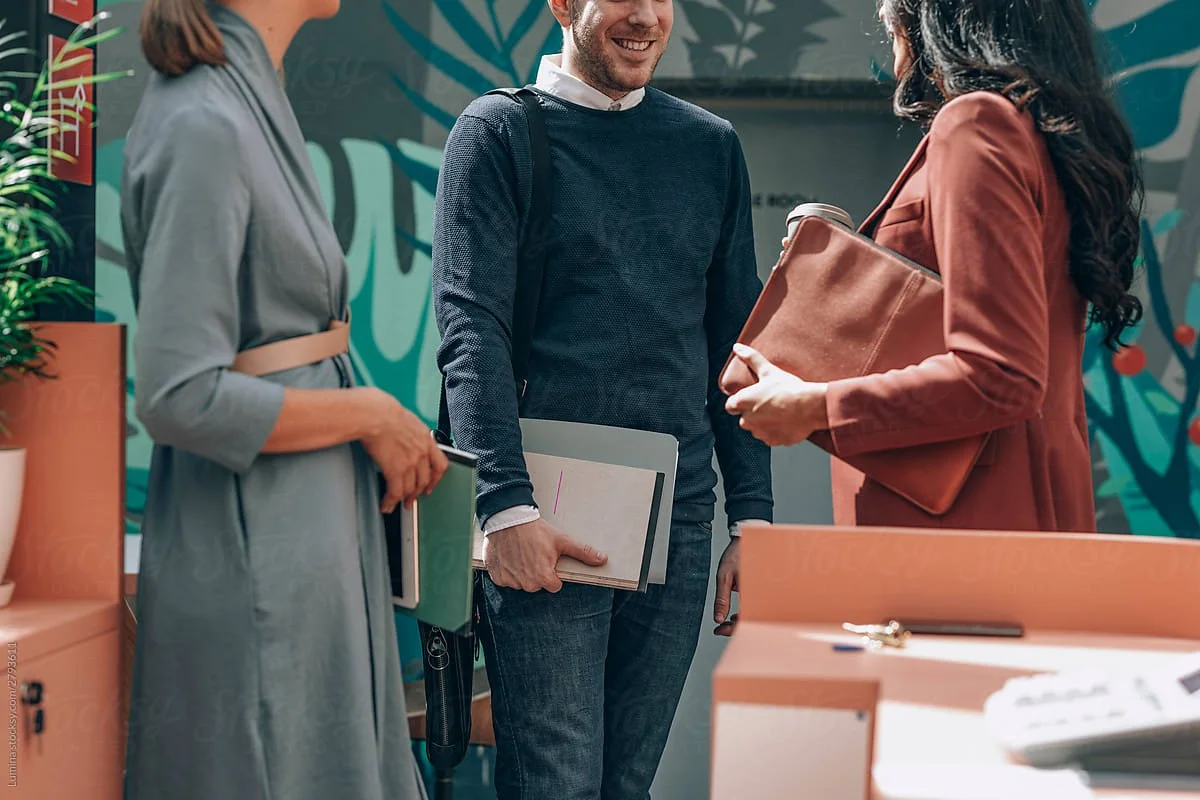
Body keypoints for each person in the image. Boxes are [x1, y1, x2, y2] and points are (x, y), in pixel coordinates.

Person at [432, 0, 774, 795]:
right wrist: (505, 509)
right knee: (556, 784)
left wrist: (751, 517)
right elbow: (469, 328)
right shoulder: (496, 135)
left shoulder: (710, 148)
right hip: (546, 522)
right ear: (562, 4)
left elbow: (737, 340)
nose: (647, 17)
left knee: (626, 786)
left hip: (678, 523)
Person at [120, 0, 445, 797]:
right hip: (258, 542)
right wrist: (370, 413)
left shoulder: (241, 100)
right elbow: (177, 395)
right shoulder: (206, 121)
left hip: (301, 533)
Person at [725, 0, 1143, 533]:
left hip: (967, 525)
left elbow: (999, 374)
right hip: (1018, 506)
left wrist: (816, 406)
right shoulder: (1039, 134)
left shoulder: (976, 124)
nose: (880, 8)